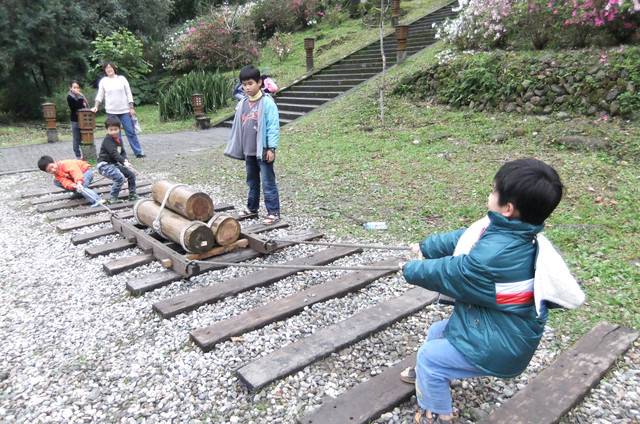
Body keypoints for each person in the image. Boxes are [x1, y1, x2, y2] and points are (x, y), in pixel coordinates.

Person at [398, 158, 583, 423]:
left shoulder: (493, 257)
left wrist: (411, 269)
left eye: (493, 190)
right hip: (496, 323)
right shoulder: (507, 230)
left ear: (507, 208)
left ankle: (438, 412)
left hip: (502, 344)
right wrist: (427, 247)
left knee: (430, 356)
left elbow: (454, 273)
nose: (490, 194)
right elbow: (464, 238)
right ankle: (429, 373)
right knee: (437, 331)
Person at [224, 65, 281, 225]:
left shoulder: (267, 103)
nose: (247, 88)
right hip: (249, 150)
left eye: (250, 83)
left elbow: (273, 127)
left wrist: (271, 148)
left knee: (268, 182)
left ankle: (273, 211)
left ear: (259, 83)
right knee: (252, 181)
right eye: (244, 84)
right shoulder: (243, 103)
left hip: (263, 150)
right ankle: (252, 208)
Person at [91, 61, 146, 158]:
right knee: (116, 135)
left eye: (110, 67)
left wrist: (131, 107)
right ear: (105, 70)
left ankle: (138, 152)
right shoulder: (103, 81)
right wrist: (96, 106)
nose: (109, 69)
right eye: (106, 68)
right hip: (111, 111)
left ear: (114, 68)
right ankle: (120, 154)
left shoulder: (122, 79)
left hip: (124, 110)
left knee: (130, 132)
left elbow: (128, 93)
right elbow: (100, 95)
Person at [97, 116, 139, 204]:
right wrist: (123, 162)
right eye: (111, 130)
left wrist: (125, 160)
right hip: (104, 165)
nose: (113, 132)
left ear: (119, 129)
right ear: (107, 130)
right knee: (119, 178)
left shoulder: (118, 139)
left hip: (114, 164)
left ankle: (132, 194)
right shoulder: (108, 140)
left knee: (131, 174)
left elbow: (122, 152)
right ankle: (113, 199)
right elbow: (114, 153)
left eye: (115, 129)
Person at [37, 156, 106, 207]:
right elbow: (64, 181)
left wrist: (79, 182)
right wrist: (71, 185)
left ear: (55, 161)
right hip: (75, 178)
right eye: (49, 171)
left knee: (81, 187)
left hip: (85, 172)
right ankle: (79, 192)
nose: (53, 170)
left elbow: (76, 172)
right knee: (56, 181)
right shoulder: (57, 174)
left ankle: (97, 200)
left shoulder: (66, 164)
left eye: (52, 167)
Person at [67, 80, 88, 159]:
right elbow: (77, 107)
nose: (77, 89)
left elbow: (85, 105)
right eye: (74, 88)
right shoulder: (70, 97)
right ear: (70, 88)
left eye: (78, 88)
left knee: (84, 137)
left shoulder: (81, 96)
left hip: (83, 119)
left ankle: (85, 154)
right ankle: (78, 155)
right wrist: (79, 97)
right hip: (75, 120)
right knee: (76, 138)